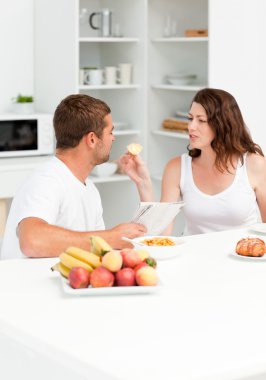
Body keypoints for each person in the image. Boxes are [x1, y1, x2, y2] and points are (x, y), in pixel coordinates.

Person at [1, 94, 146, 259]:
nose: (113, 138)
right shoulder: (46, 180)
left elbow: (97, 250)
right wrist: (112, 237)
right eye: (110, 132)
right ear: (92, 139)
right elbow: (31, 240)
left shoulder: (90, 190)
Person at [119, 88, 266, 235]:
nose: (191, 126)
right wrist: (143, 183)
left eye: (201, 120)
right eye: (190, 118)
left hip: (242, 255)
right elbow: (160, 235)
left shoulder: (254, 165)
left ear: (223, 125)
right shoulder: (177, 168)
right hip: (192, 256)